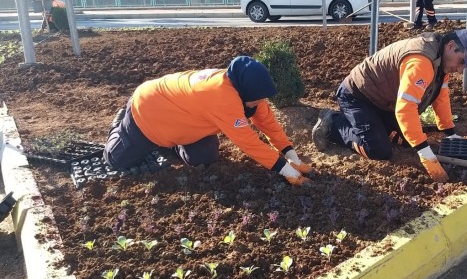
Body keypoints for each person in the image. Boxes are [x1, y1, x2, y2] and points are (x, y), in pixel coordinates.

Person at [104, 56, 313, 186]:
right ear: (244, 91)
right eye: (258, 98)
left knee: (204, 157)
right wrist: (286, 171)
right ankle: (121, 122)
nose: (261, 102)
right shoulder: (221, 97)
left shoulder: (249, 91)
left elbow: (269, 124)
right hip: (148, 113)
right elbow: (249, 143)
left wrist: (293, 158)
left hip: (184, 119)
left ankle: (171, 143)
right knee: (116, 160)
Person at [311, 29, 467, 183]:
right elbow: (406, 108)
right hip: (358, 96)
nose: (460, 69)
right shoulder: (421, 62)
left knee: (407, 139)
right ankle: (334, 122)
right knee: (378, 150)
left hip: (383, 100)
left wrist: (450, 133)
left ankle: (374, 123)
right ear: (450, 46)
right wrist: (425, 154)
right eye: (462, 61)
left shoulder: (441, 62)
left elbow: (440, 97)